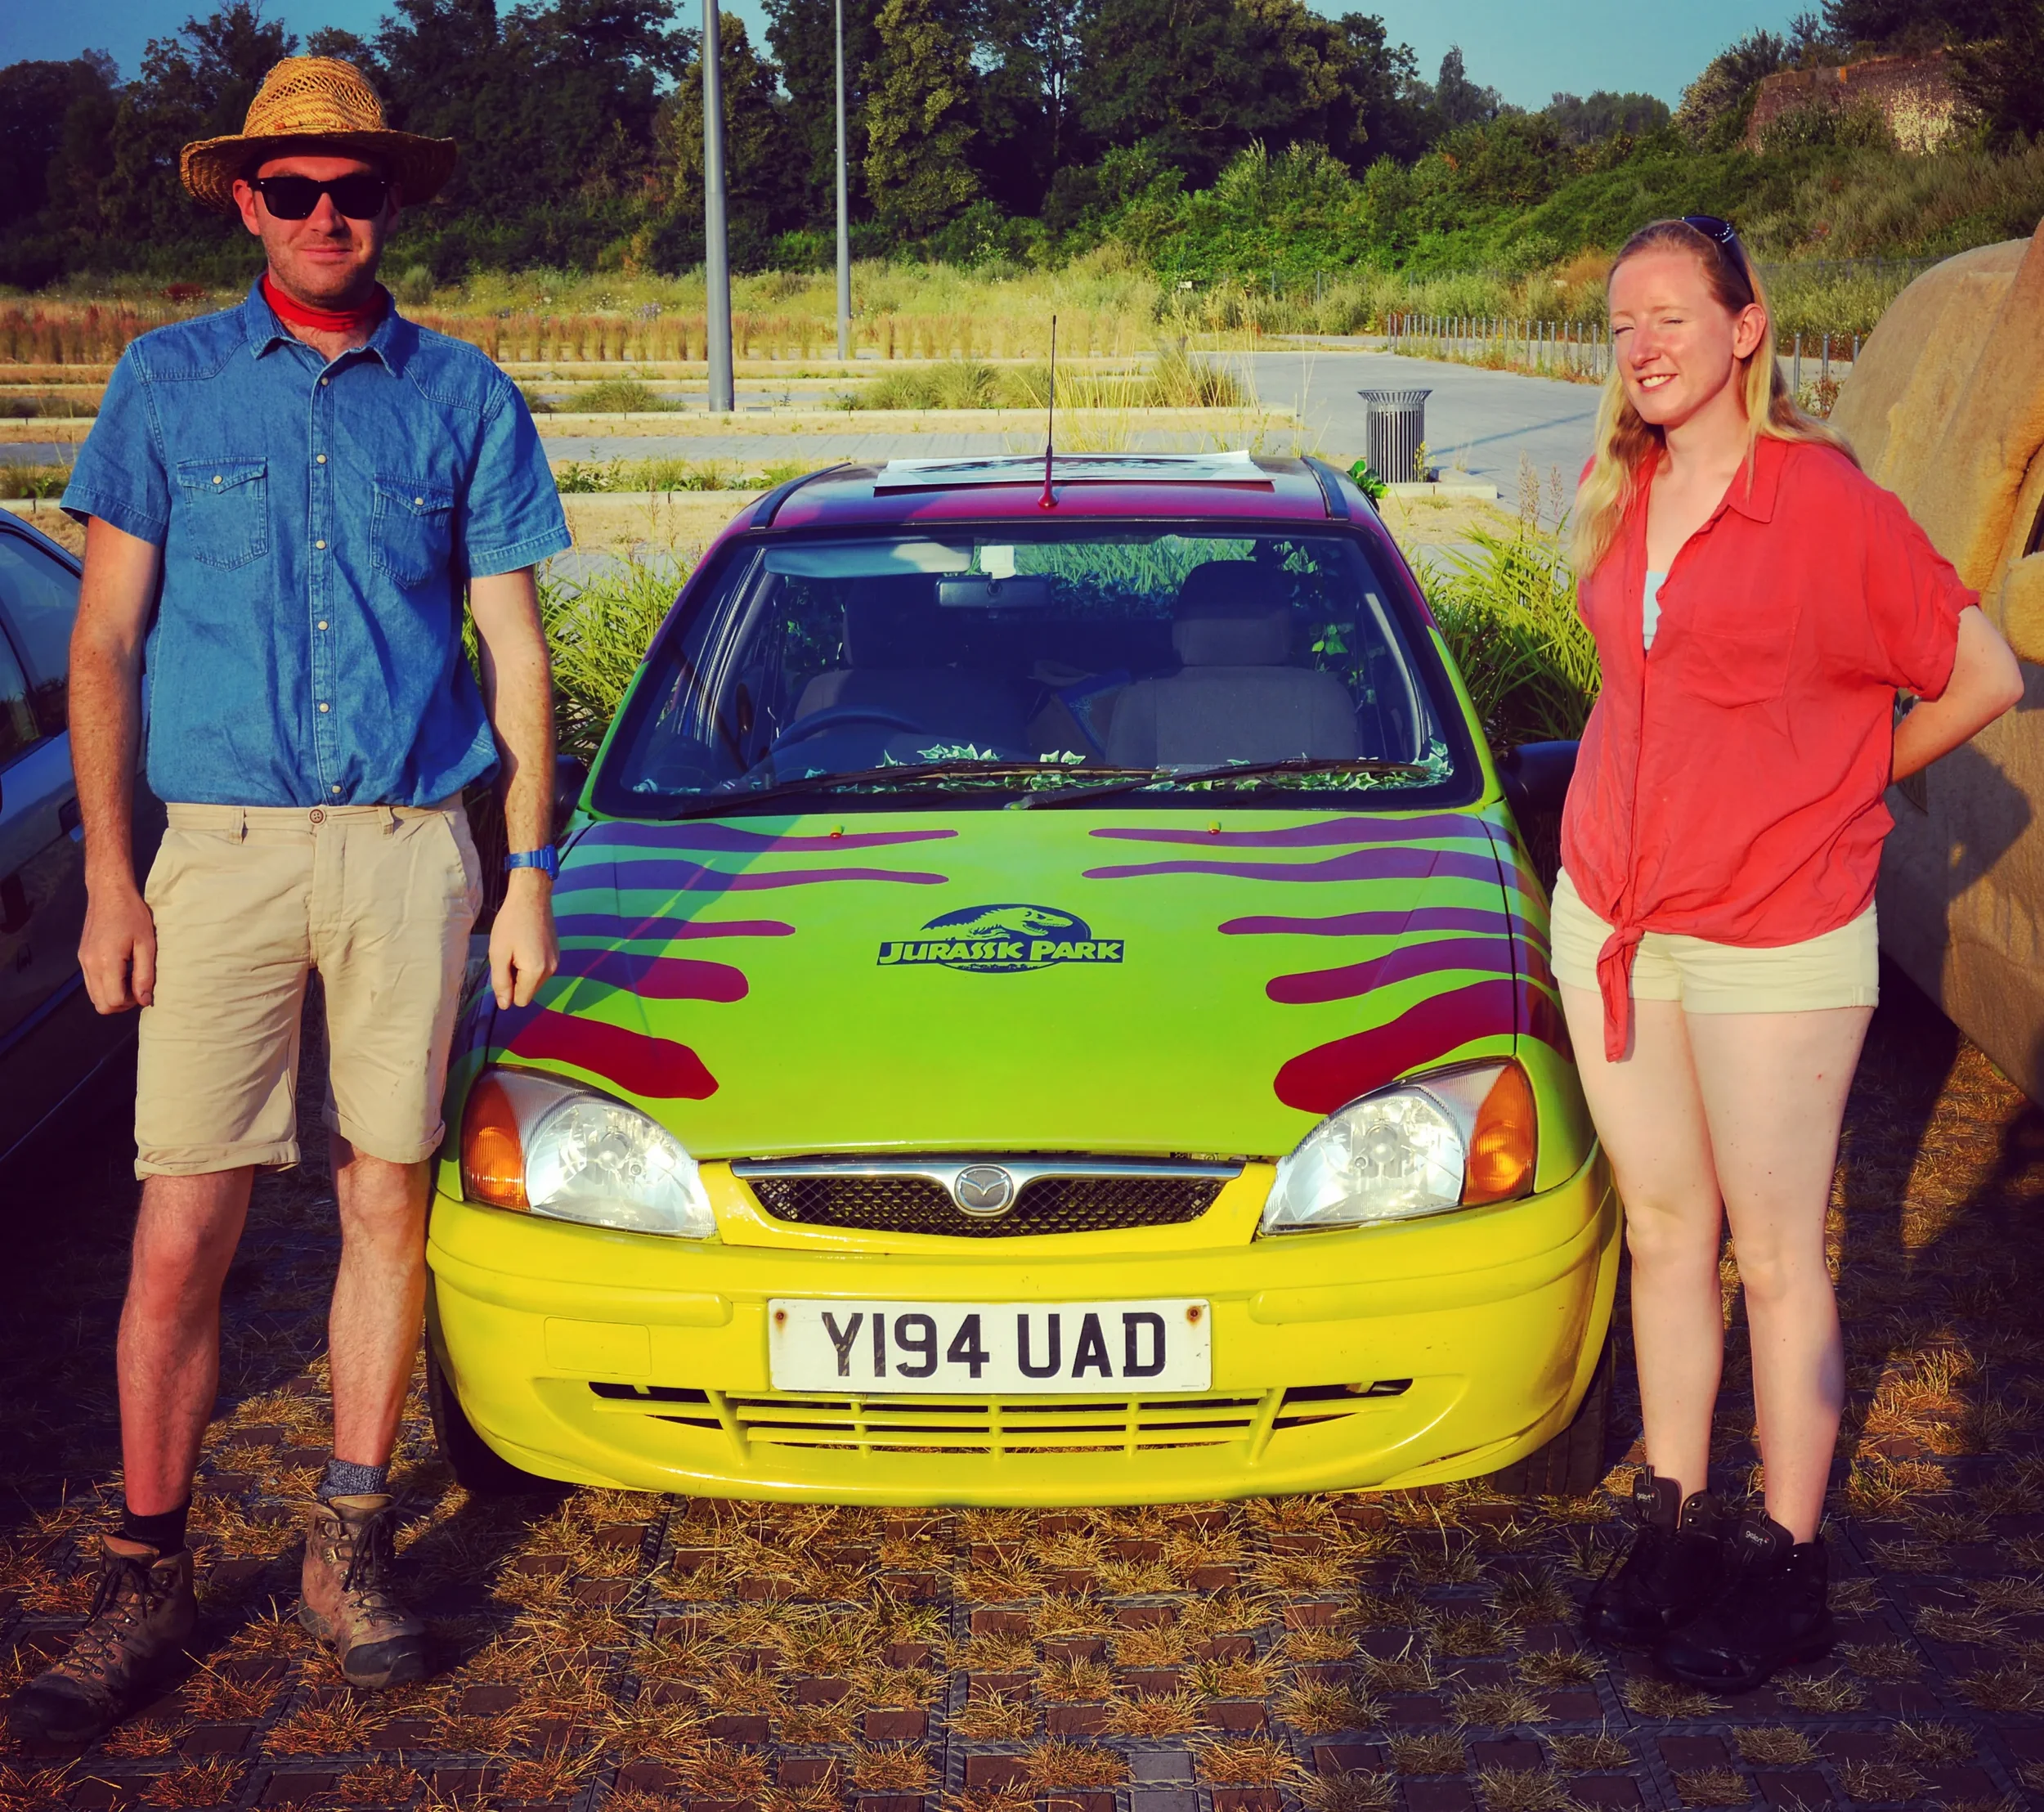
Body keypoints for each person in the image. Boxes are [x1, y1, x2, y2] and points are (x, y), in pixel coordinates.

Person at [7, 58, 570, 1746]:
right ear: (244, 201)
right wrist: (112, 873)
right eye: (294, 190)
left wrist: (526, 864)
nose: (329, 216)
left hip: (412, 849)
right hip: (222, 852)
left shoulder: (463, 395)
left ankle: (344, 1540)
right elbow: (100, 648)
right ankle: (149, 1564)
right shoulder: (166, 387)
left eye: (356, 190)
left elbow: (516, 651)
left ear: (392, 202)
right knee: (184, 1217)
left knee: (384, 1196)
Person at [1558, 216, 2023, 1689]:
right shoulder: (1621, 487)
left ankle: (1786, 1554)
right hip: (1618, 919)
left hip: (1774, 931)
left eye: (1675, 315)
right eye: (1625, 322)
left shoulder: (1821, 501)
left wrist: (1843, 781)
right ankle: (1678, 1513)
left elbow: (1986, 674)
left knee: (1775, 1253)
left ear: (1749, 328)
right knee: (1668, 1234)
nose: (1645, 344)